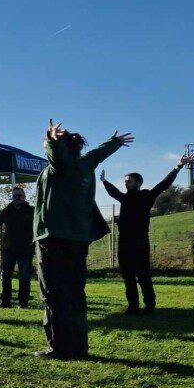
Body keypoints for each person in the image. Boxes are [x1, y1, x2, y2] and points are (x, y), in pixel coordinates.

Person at [34, 119, 132, 360]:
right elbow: (98, 154)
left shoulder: (61, 166)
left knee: (54, 295)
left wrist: (51, 139)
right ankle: (79, 347)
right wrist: (115, 142)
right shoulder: (86, 165)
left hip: (53, 239)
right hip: (79, 239)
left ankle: (59, 348)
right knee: (76, 294)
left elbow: (56, 155)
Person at [101, 153, 194, 315]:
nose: (126, 184)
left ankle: (149, 306)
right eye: (125, 182)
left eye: (129, 181)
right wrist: (104, 181)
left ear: (138, 182)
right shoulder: (125, 198)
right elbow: (113, 192)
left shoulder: (146, 196)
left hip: (139, 241)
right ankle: (133, 307)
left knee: (143, 275)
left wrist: (177, 167)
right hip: (124, 242)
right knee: (127, 276)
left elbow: (164, 184)